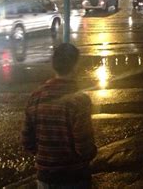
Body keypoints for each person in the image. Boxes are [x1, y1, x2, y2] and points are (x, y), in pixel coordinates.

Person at [22, 43, 97, 189]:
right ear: (75, 66)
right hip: (74, 177)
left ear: (54, 65)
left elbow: (27, 141)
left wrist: (46, 156)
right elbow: (83, 147)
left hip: (45, 179)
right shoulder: (79, 100)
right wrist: (92, 153)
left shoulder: (36, 97)